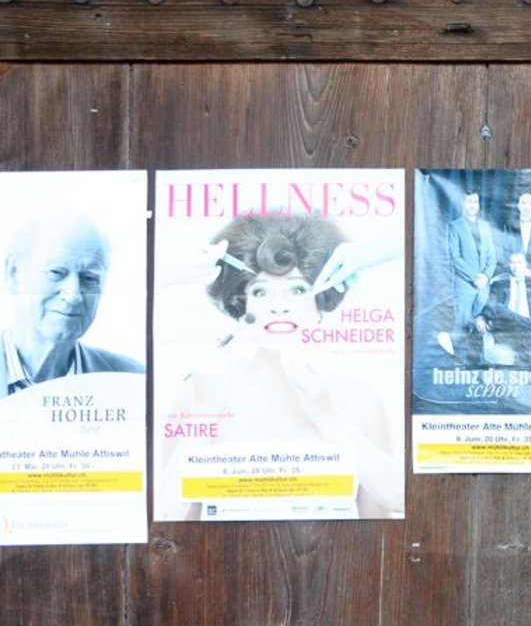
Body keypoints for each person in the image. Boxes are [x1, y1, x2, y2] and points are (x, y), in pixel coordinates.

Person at [158, 214, 402, 520]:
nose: (279, 306)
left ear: (321, 298)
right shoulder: (198, 392)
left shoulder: (362, 395)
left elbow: (381, 520)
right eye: (260, 291)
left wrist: (330, 420)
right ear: (240, 303)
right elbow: (167, 522)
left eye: (297, 290)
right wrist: (204, 414)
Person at [2, 213, 142, 394]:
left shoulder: (132, 382)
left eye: (89, 278)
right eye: (56, 272)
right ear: (13, 273)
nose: (74, 295)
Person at [474, 250, 531, 364]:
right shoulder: (499, 284)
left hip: (527, 332)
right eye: (513, 262)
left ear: (525, 264)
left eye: (519, 262)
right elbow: (490, 306)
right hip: (507, 329)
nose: (516, 267)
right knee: (499, 308)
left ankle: (522, 370)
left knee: (528, 335)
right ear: (508, 264)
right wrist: (481, 317)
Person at [439, 187, 496, 356]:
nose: (472, 205)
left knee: (482, 326)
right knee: (462, 326)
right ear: (462, 203)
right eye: (469, 201)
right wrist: (474, 278)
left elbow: (492, 257)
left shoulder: (485, 227)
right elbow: (455, 258)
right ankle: (458, 360)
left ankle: (479, 361)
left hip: (484, 286)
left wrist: (486, 277)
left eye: (475, 201)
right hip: (464, 286)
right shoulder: (454, 226)